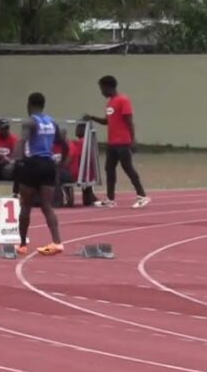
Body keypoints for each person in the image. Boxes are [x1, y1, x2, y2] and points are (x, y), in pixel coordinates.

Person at [83, 75, 150, 209]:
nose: (101, 92)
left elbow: (129, 122)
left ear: (109, 87)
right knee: (109, 169)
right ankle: (110, 199)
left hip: (123, 142)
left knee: (128, 168)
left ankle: (142, 195)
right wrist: (92, 118)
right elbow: (107, 121)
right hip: (112, 143)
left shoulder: (123, 100)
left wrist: (133, 140)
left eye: (102, 88)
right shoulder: (110, 103)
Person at [13, 92, 67, 256]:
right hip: (48, 165)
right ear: (43, 105)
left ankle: (22, 244)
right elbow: (64, 144)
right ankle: (57, 242)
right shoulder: (53, 122)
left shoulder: (29, 122)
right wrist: (62, 162)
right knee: (47, 206)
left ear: (29, 105)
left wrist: (17, 161)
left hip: (32, 164)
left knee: (26, 205)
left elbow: (22, 141)